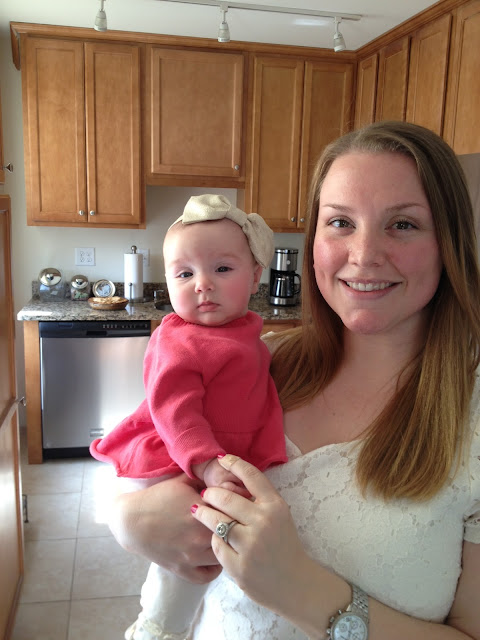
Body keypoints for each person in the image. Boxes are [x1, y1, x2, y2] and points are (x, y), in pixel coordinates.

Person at [107, 121, 480, 640]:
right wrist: (129, 520)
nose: (364, 254)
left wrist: (300, 589)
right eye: (341, 222)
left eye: (403, 224)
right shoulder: (260, 360)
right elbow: (154, 441)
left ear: (448, 242)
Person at [90, 194, 287, 640]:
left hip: (214, 455)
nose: (203, 284)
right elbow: (174, 409)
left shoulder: (246, 330)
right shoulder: (179, 339)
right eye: (185, 274)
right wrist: (206, 464)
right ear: (168, 281)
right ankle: (160, 626)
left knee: (207, 552)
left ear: (256, 275)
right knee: (187, 555)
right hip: (180, 456)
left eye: (222, 269)